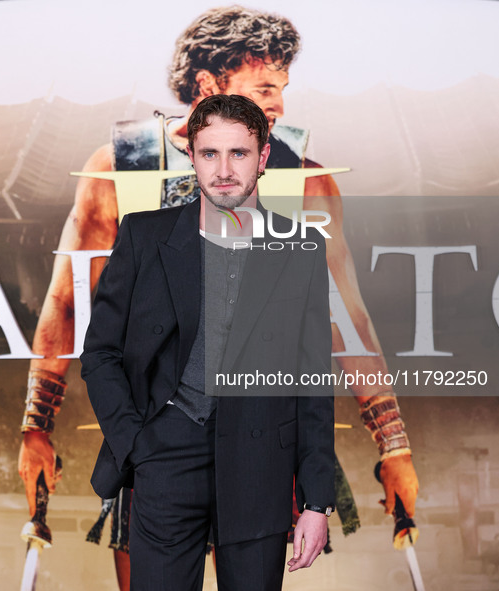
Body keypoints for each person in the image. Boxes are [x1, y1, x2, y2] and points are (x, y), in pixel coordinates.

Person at [18, 5, 418, 587]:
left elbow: (342, 322)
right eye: (263, 85)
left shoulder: (306, 178)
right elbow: (69, 309)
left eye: (282, 87)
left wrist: (393, 442)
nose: (279, 101)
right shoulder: (118, 169)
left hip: (259, 445)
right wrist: (42, 427)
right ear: (209, 85)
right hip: (161, 449)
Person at [81, 93, 335, 590]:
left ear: (262, 158)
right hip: (165, 457)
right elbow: (101, 353)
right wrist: (136, 445)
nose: (223, 169)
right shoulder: (142, 236)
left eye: (238, 153)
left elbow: (313, 384)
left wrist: (317, 501)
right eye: (209, 153)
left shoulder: (300, 251)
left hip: (260, 464)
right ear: (191, 157)